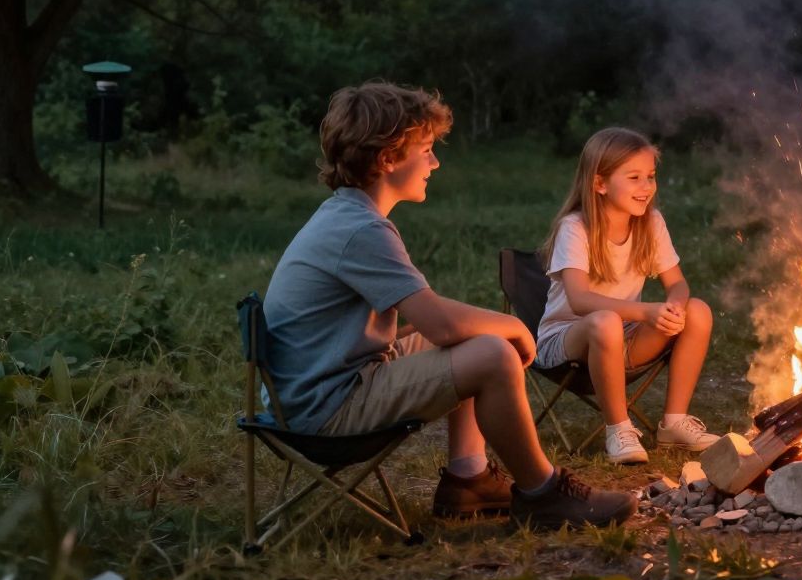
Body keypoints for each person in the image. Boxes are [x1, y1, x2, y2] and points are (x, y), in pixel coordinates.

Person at [262, 83, 636, 527]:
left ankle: (469, 479)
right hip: (326, 409)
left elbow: (432, 323)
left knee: (478, 334)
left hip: (311, 391)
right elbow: (440, 326)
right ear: (388, 159)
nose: (435, 162)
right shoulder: (362, 230)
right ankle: (544, 495)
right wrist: (513, 326)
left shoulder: (346, 215)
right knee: (492, 351)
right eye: (425, 149)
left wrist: (489, 325)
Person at [534, 127, 719, 462]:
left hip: (621, 338)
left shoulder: (651, 222)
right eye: (634, 177)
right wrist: (646, 312)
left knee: (698, 310)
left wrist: (674, 307)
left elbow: (677, 284)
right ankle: (618, 428)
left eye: (650, 176)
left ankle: (674, 423)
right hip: (564, 343)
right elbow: (580, 301)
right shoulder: (575, 228)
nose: (646, 187)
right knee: (604, 321)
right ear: (599, 183)